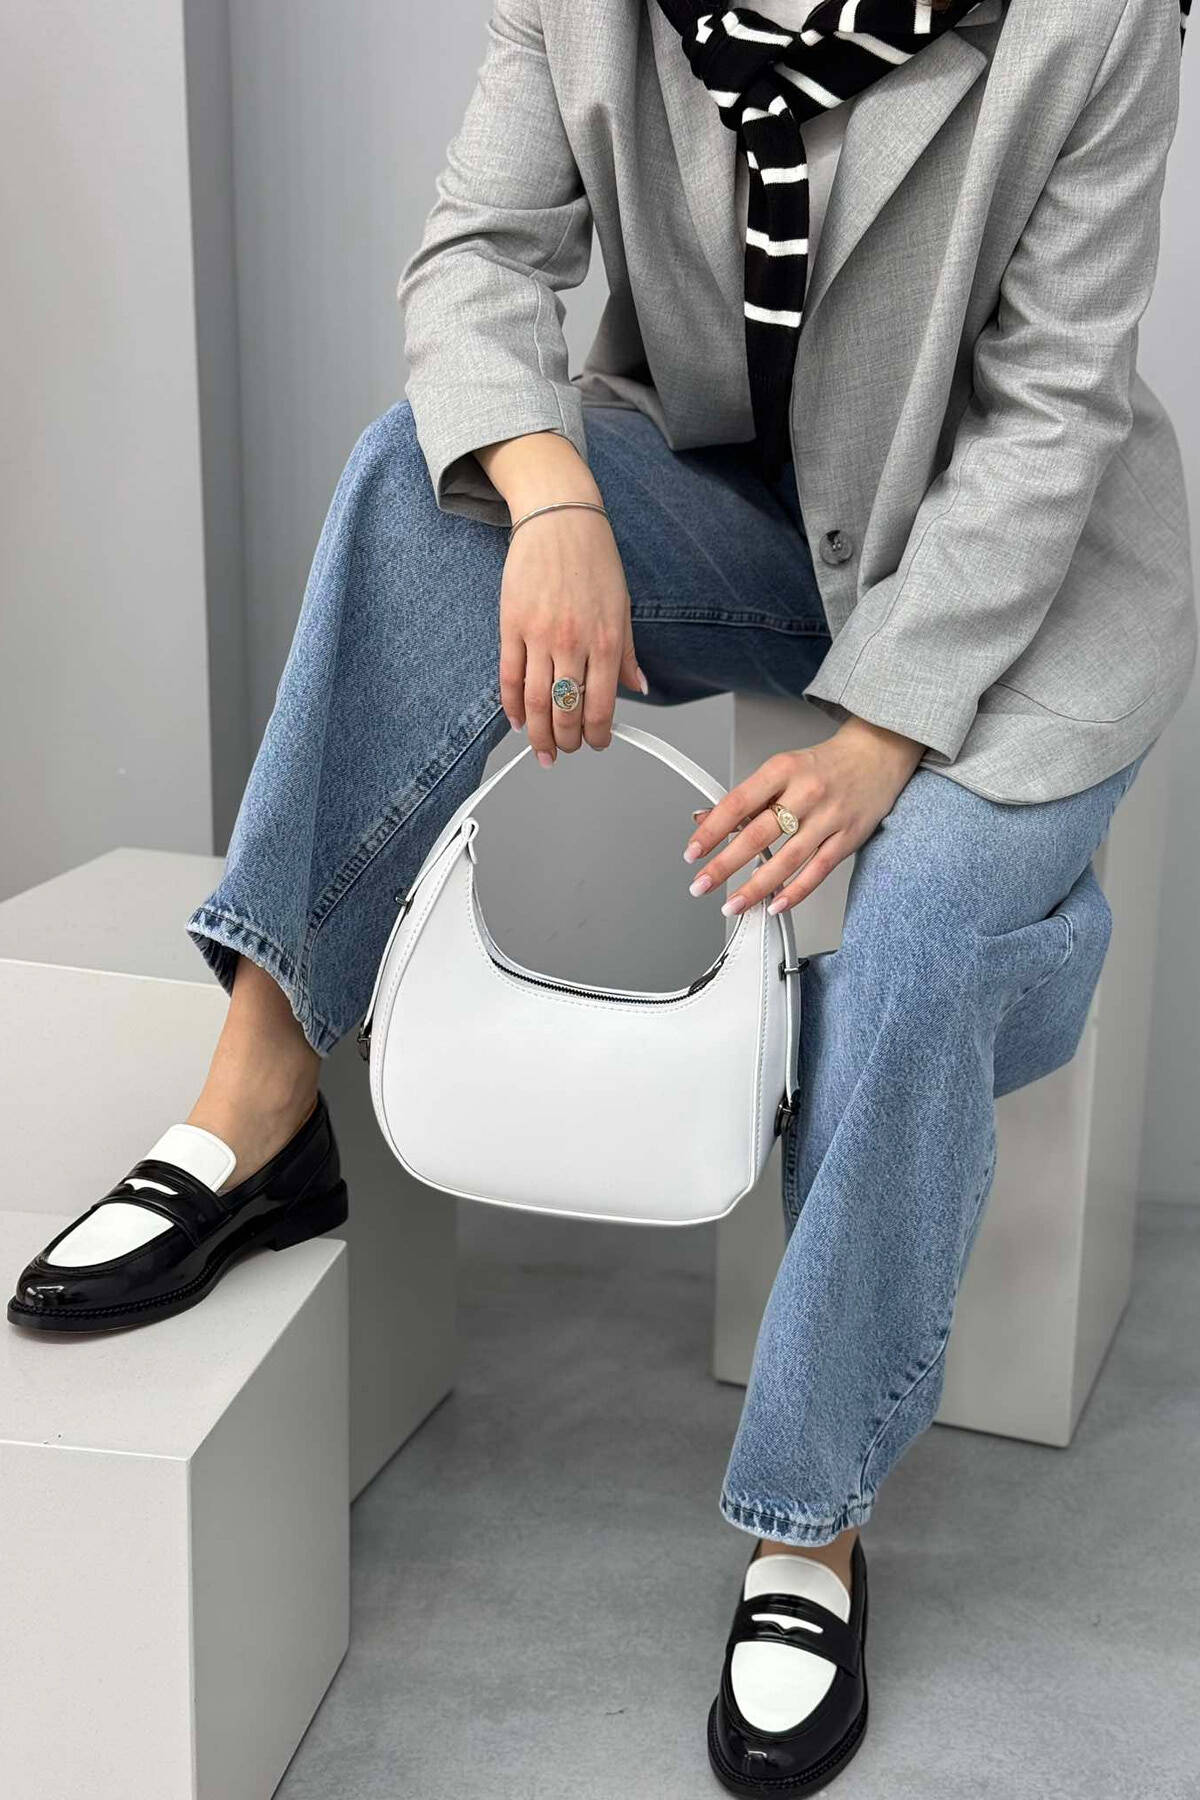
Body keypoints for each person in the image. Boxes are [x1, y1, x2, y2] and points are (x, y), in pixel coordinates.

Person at [10, 0, 1192, 1790]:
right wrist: (554, 494)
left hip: (1018, 600)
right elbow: (477, 251)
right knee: (419, 488)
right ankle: (262, 1104)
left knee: (927, 927)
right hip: (748, 511)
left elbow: (1050, 421)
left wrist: (881, 738)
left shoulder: (1086, 23)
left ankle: (810, 1526)